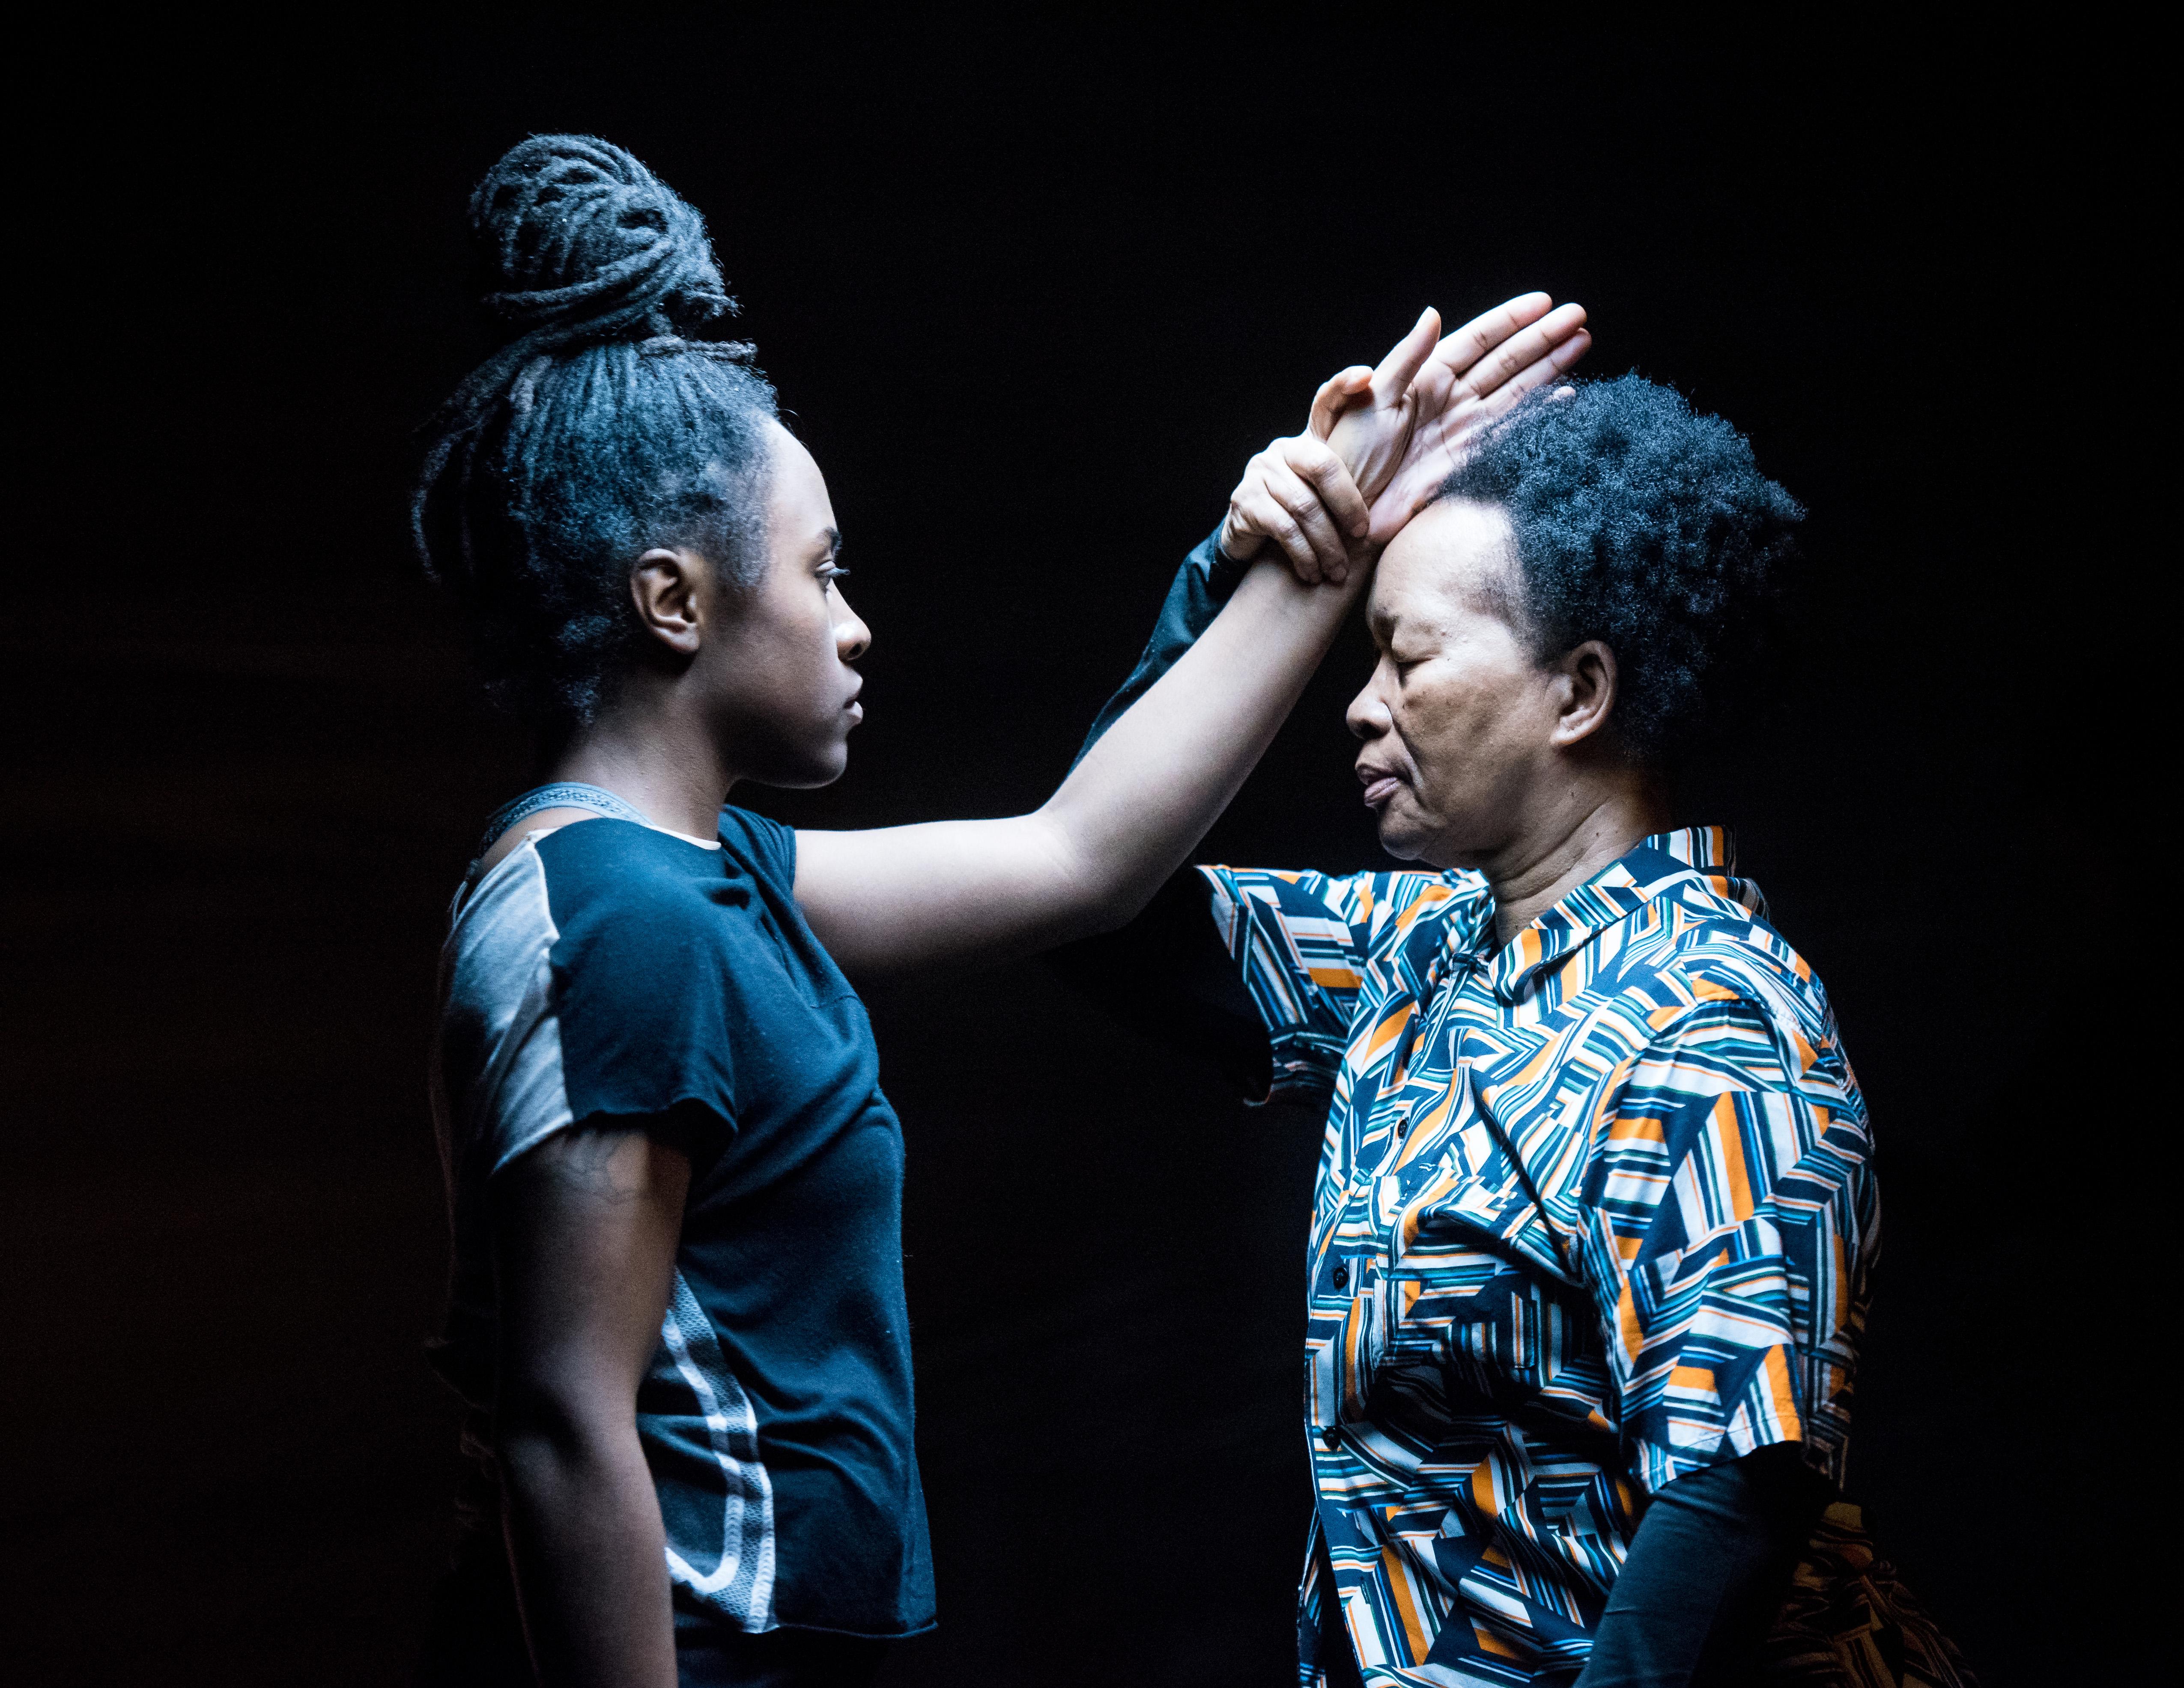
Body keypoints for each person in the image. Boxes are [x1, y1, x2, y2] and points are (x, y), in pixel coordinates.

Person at [412, 133, 1588, 1688]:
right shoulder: (622, 918)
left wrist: (1319, 537)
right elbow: (569, 1426)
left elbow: (1080, 861)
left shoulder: (694, 879)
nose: (853, 622)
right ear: (674, 601)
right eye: (821, 572)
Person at [1056, 378, 1977, 1686]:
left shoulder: (1712, 1018)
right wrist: (1247, 581)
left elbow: (1735, 1495)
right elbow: (1094, 899)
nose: (1358, 703)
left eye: (1403, 655)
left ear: (1577, 690)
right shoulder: (1425, 951)